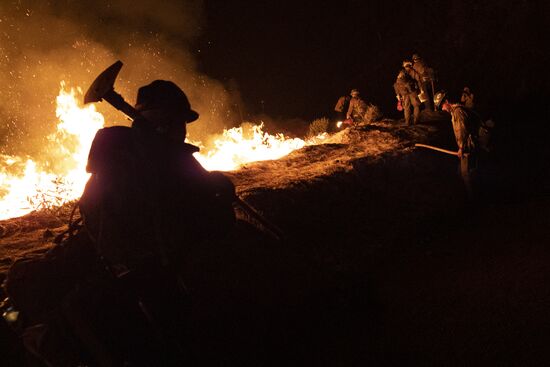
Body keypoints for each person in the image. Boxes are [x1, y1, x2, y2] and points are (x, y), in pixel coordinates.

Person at [441, 99, 482, 198]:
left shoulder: (458, 112)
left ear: (447, 101)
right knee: (460, 172)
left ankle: (472, 198)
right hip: (470, 144)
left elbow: (461, 131)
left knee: (465, 173)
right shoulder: (458, 110)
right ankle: (465, 193)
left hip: (468, 146)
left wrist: (461, 148)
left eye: (442, 106)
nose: (442, 109)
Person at [394, 60, 421, 125]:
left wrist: (398, 94)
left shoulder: (401, 73)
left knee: (406, 107)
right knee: (416, 106)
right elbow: (418, 79)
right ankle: (415, 122)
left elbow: (396, 84)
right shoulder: (412, 71)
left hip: (404, 93)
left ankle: (407, 122)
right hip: (412, 91)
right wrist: (420, 89)